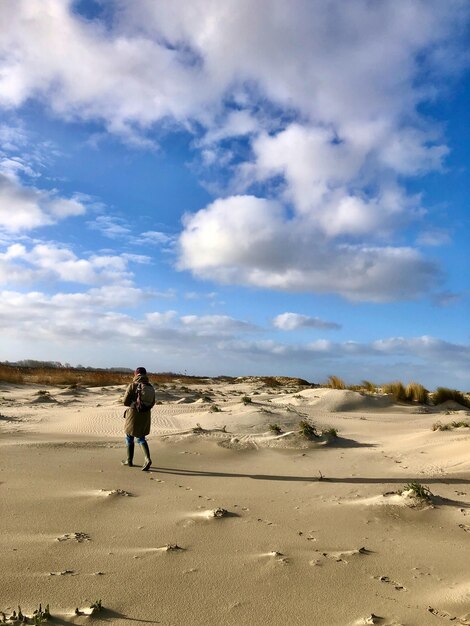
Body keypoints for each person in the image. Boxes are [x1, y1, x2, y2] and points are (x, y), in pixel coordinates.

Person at [122, 366, 153, 471]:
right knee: (141, 438)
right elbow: (152, 403)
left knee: (129, 436)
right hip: (145, 415)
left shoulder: (132, 386)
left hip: (133, 415)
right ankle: (147, 458)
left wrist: (134, 405)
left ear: (136, 374)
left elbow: (125, 402)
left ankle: (129, 460)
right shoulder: (150, 387)